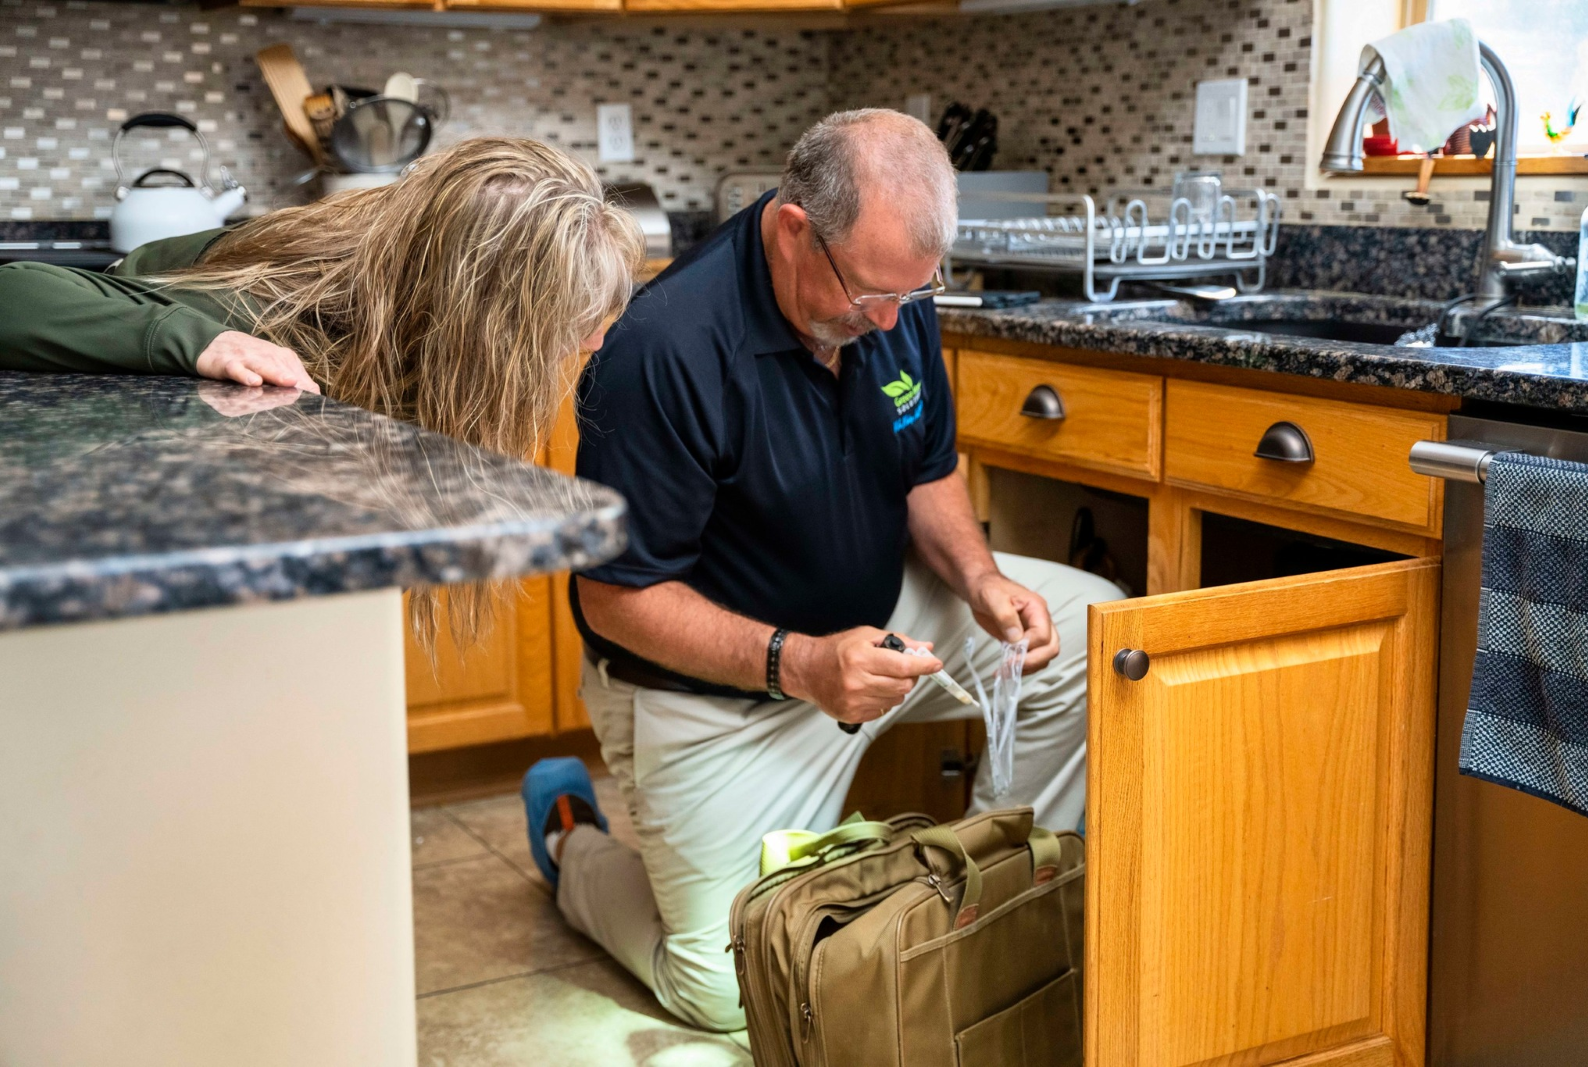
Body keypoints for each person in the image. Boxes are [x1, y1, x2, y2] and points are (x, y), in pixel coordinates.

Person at [520, 109, 1123, 1033]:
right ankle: (570, 841)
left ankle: (990, 892)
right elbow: (615, 598)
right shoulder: (662, 348)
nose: (886, 322)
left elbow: (929, 468)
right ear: (795, 227)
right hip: (725, 693)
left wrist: (980, 578)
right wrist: (803, 664)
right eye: (870, 295)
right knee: (725, 998)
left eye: (909, 299)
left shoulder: (891, 298)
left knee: (1095, 627)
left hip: (884, 629)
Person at [0, 137, 642, 462]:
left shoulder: (412, 296)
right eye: (577, 316)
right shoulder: (274, 309)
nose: (594, 343)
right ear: (478, 304)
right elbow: (13, 293)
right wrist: (207, 342)